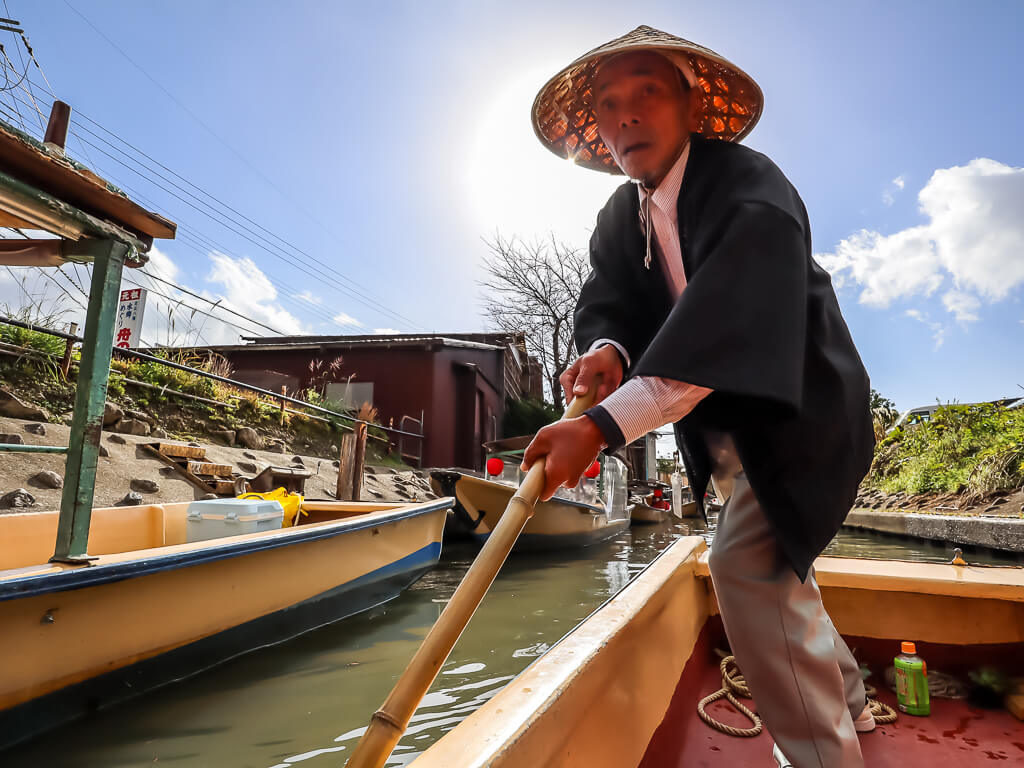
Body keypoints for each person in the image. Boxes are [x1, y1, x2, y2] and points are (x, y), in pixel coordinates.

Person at [521, 25, 876, 768]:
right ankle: (852, 706)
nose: (626, 117)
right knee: (781, 568)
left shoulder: (753, 187)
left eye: (648, 92)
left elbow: (733, 318)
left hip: (801, 414)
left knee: (747, 566)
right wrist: (605, 352)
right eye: (610, 104)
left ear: (690, 104)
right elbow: (609, 299)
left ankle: (826, 756)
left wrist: (603, 427)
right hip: (718, 431)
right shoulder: (620, 218)